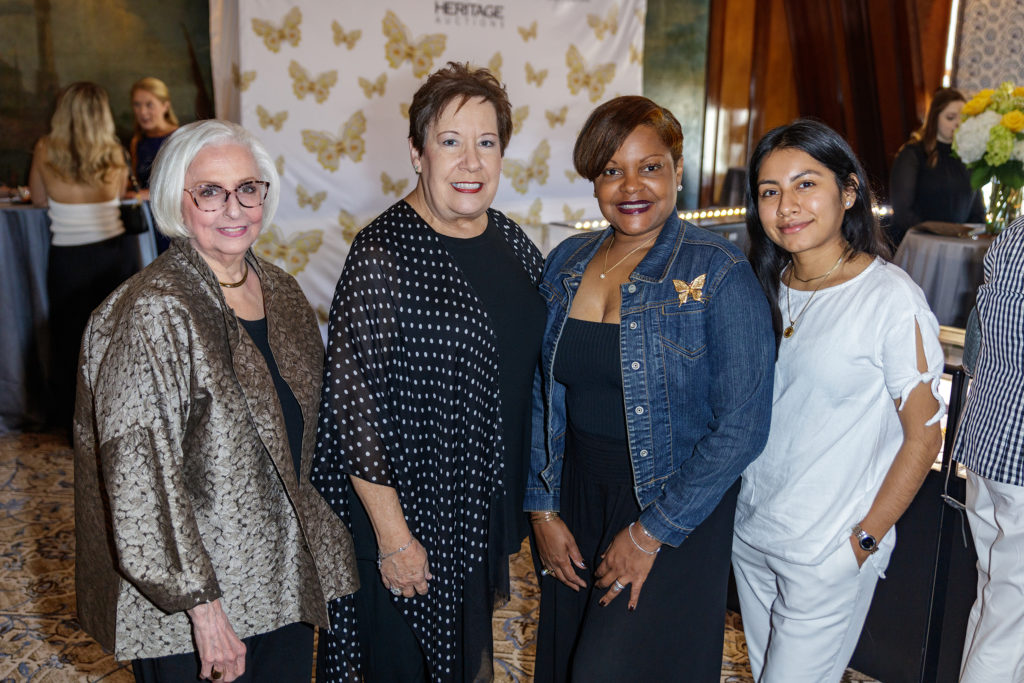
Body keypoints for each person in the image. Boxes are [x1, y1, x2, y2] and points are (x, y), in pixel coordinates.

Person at [73, 119, 358, 683]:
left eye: (248, 188)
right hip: (194, 608)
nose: (235, 208)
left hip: (281, 580)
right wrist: (203, 611)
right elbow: (140, 481)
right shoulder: (154, 310)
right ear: (177, 200)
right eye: (210, 191)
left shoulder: (280, 289)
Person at [526, 95, 775, 682]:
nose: (631, 185)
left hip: (670, 505)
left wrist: (650, 533)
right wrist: (542, 509)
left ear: (678, 171)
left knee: (608, 670)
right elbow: (540, 394)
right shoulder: (564, 263)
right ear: (593, 181)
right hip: (576, 498)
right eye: (612, 170)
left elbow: (743, 427)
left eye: (650, 166)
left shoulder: (718, 272)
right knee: (566, 666)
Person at [311, 62, 545, 682]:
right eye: (450, 142)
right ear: (417, 154)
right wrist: (394, 539)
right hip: (405, 522)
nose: (471, 162)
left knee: (461, 663)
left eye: (486, 143)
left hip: (470, 511)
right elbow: (351, 408)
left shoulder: (512, 242)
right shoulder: (382, 255)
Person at [731, 119, 946, 682]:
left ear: (848, 192)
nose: (787, 206)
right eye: (770, 191)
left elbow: (925, 436)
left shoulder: (889, 299)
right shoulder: (763, 285)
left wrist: (863, 541)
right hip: (752, 536)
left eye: (806, 185)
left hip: (826, 551)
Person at [27, 81, 138, 429]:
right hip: (112, 257)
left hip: (68, 261)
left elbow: (39, 200)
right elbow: (119, 194)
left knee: (70, 343)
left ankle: (73, 426)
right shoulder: (114, 152)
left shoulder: (45, 149)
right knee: (113, 342)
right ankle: (116, 422)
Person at [952, 215, 1024, 682]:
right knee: (1009, 622)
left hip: (987, 439)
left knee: (997, 601)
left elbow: (974, 346)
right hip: (1017, 456)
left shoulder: (1017, 230)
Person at [888, 87, 985, 246]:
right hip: (920, 245)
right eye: (951, 117)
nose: (958, 124)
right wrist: (937, 238)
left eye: (964, 118)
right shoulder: (913, 154)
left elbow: (977, 213)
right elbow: (903, 212)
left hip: (957, 245)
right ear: (934, 118)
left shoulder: (967, 157)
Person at [129, 77, 179, 192]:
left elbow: (183, 186)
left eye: (149, 105)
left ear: (165, 106)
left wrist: (143, 195)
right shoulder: (137, 141)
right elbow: (136, 182)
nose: (142, 112)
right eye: (137, 104)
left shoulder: (179, 137)